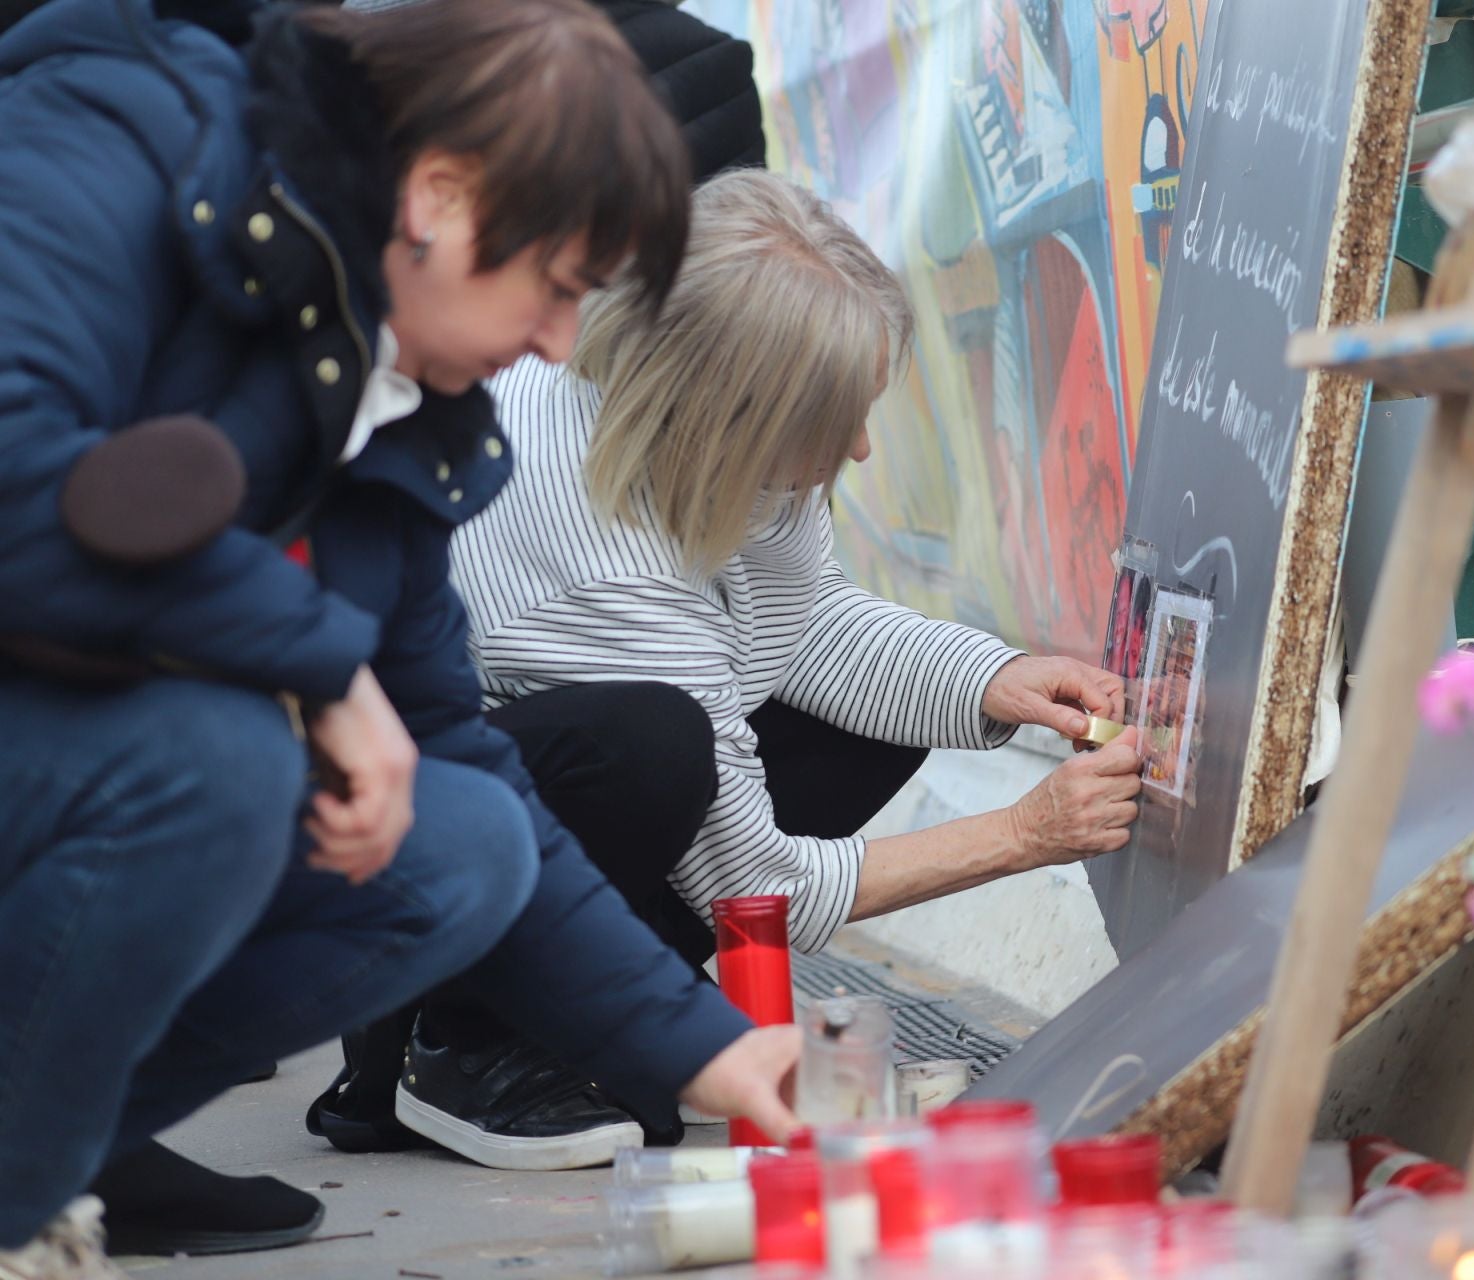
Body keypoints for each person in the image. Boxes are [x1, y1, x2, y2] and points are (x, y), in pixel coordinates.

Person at [0, 0, 797, 1273]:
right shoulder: (106, 145)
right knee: (218, 762)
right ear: (438, 193)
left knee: (457, 847)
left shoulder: (398, 397)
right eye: (558, 286)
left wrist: (701, 1046)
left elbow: (460, 754)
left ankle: (27, 1167)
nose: (553, 342)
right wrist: (316, 668)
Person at [360, 167, 1142, 1170]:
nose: (859, 449)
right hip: (401, 870)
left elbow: (802, 625)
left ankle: (597, 1015)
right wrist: (1027, 833)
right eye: (835, 424)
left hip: (543, 767)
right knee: (649, 745)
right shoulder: (589, 551)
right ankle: (466, 1041)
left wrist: (993, 677)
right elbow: (755, 878)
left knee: (865, 715)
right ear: (733, 416)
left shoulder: (700, 431)